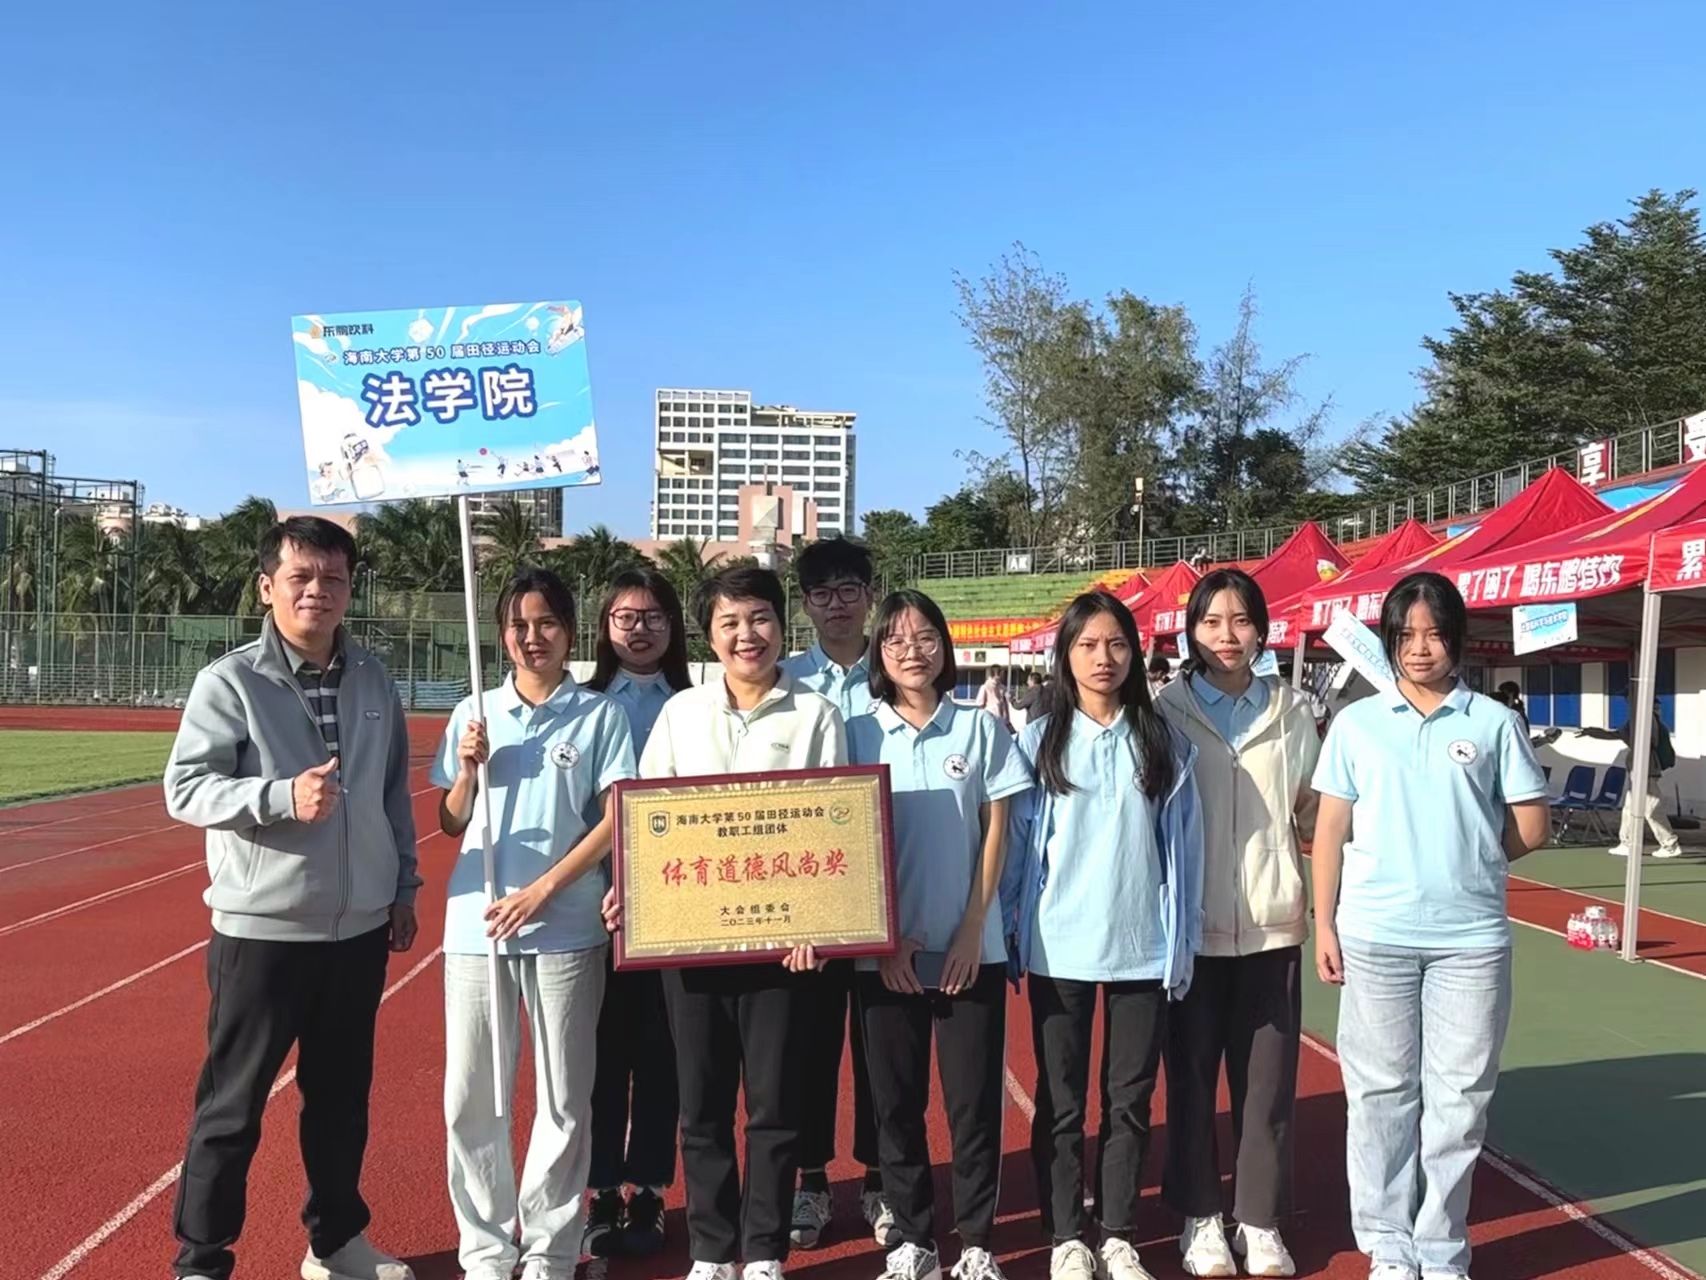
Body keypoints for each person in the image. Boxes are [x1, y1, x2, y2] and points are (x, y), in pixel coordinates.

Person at [163, 516, 420, 1280]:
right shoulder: (230, 682)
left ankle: (336, 1244)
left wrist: (402, 886)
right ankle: (202, 1259)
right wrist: (279, 796)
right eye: (301, 576)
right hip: (264, 932)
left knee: (340, 1102)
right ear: (267, 587)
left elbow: (392, 796)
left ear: (350, 589)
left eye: (333, 578)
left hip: (358, 932)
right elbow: (186, 788)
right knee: (232, 1106)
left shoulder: (373, 678)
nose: (318, 591)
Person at [1311, 572, 1550, 1280]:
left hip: (1469, 942)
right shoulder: (1357, 724)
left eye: (1435, 634)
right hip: (1375, 935)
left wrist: (1472, 857)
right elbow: (1330, 832)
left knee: (1459, 1101)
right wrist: (1325, 924)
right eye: (1406, 635)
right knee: (1381, 1094)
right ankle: (1388, 1243)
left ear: (1458, 640)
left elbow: (1532, 825)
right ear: (1389, 640)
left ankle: (1441, 1247)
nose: (1420, 648)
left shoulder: (1493, 723)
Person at [614, 565, 848, 1280]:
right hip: (694, 940)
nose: (747, 635)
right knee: (703, 1107)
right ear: (709, 636)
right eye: (730, 623)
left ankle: (765, 1250)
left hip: (783, 947)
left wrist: (821, 922)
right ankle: (714, 1250)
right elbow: (648, 816)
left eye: (759, 618)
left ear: (781, 623)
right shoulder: (682, 714)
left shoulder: (816, 715)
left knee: (774, 1108)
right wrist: (632, 892)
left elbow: (834, 821)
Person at [432, 569, 637, 1280]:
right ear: (501, 636)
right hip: (476, 927)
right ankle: (487, 1250)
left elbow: (615, 817)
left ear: (570, 631)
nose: (531, 637)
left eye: (546, 622)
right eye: (518, 625)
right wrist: (467, 771)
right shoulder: (475, 711)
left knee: (563, 1098)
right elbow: (451, 820)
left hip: (566, 927)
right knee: (472, 1096)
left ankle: (550, 1249)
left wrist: (546, 887)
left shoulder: (600, 717)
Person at [1007, 591, 1204, 1280]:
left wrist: (1182, 939)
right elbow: (1017, 847)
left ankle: (1117, 1233)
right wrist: (1008, 929)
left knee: (1129, 1101)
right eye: (1088, 645)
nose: (1103, 658)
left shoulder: (1163, 742)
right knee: (1061, 1101)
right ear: (1065, 656)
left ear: (1135, 654)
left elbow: (1185, 848)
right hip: (1059, 944)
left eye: (1117, 644)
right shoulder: (1038, 743)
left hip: (1141, 945)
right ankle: (1066, 1233)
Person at [845, 590, 1034, 1280]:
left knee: (972, 1104)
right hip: (886, 958)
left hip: (968, 951)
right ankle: (914, 1240)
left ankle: (977, 1242)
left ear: (945, 647)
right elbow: (845, 843)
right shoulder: (854, 733)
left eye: (925, 637)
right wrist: (884, 940)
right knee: (895, 1105)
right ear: (879, 653)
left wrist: (974, 928)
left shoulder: (979, 729)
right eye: (895, 640)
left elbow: (996, 832)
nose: (912, 651)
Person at [1154, 570, 1322, 1278]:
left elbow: (1314, 811)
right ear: (1191, 631)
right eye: (1212, 621)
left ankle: (1259, 1219)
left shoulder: (1294, 711)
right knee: (1191, 1080)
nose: (1227, 635)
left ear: (1262, 629)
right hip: (1190, 929)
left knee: (1267, 1086)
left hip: (1271, 923)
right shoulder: (1164, 710)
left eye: (1241, 620)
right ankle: (1199, 1216)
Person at [584, 569, 696, 1255]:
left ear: (672, 626)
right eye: (626, 616)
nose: (640, 628)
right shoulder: (583, 703)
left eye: (654, 616)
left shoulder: (696, 704)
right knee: (599, 1059)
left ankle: (650, 1189)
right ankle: (599, 1189)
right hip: (595, 914)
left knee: (663, 1057)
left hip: (678, 911)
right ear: (605, 626)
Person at [779, 538, 887, 1247]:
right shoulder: (784, 678)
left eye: (850, 589)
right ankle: (811, 1182)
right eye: (823, 593)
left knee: (881, 1043)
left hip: (880, 889)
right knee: (807, 1045)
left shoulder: (899, 665)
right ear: (806, 605)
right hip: (808, 892)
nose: (838, 604)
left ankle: (880, 1179)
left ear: (870, 596)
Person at [1611, 698, 1683, 859]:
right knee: (1630, 808)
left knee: (1651, 809)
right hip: (1637, 771)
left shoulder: (1646, 720)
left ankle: (1670, 844)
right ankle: (1626, 843)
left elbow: (1646, 741)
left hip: (1646, 771)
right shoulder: (1638, 719)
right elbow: (1621, 734)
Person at [974, 666, 1012, 731]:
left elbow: (1005, 705)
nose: (1002, 676)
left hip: (999, 720)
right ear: (996, 674)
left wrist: (1007, 719)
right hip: (991, 719)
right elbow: (979, 705)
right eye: (1000, 673)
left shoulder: (1002, 688)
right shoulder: (985, 687)